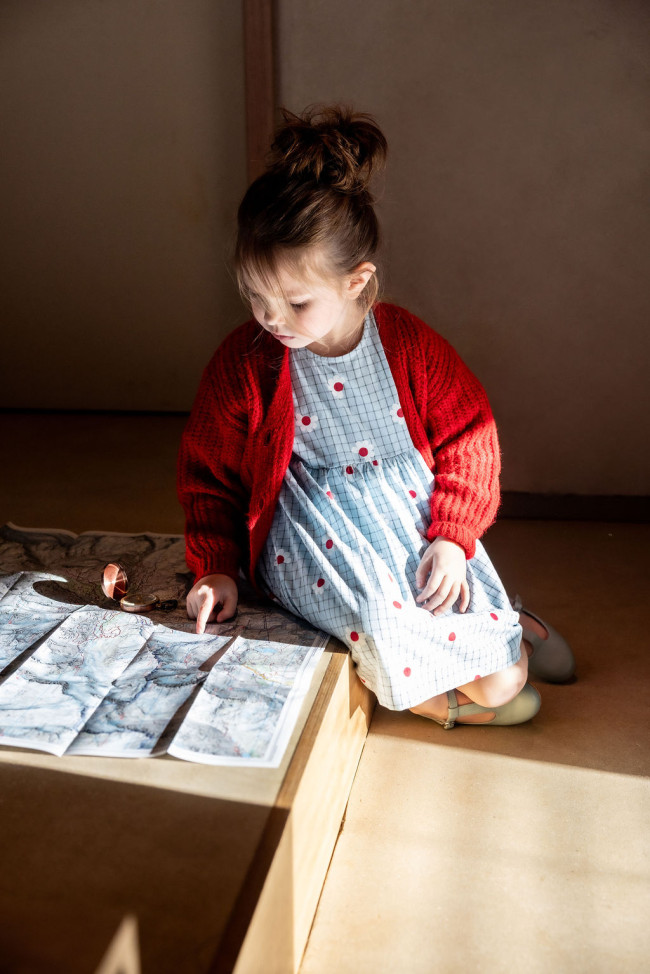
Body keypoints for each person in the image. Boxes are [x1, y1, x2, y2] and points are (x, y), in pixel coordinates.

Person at [177, 106, 574, 728]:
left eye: (295, 302)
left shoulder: (410, 347)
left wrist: (451, 536)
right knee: (412, 642)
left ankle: (514, 627)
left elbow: (472, 441)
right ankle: (448, 697)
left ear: (357, 281)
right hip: (313, 537)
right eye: (254, 296)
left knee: (498, 670)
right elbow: (208, 476)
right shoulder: (243, 364)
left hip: (410, 519)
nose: (270, 318)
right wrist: (217, 567)